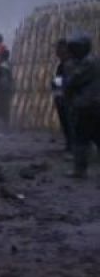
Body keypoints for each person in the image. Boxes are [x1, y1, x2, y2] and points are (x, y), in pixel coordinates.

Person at [63, 34, 100, 178]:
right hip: (93, 103)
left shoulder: (87, 63)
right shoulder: (93, 60)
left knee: (81, 138)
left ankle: (80, 170)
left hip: (86, 105)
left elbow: (73, 81)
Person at [53, 38, 74, 152]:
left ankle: (73, 146)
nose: (57, 51)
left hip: (70, 99)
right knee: (66, 123)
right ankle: (70, 144)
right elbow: (58, 81)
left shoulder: (70, 63)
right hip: (62, 98)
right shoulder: (61, 65)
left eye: (59, 48)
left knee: (71, 123)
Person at [0, 47, 14, 128]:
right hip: (7, 88)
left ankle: (3, 124)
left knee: (1, 106)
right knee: (5, 106)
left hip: (3, 89)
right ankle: (5, 123)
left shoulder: (3, 66)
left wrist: (0, 89)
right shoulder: (8, 64)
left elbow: (3, 79)